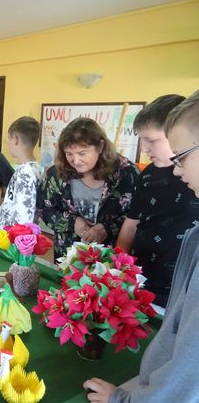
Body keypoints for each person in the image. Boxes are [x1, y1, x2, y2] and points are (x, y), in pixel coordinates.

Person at [84, 91, 199, 403]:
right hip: (146, 285)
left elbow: (190, 369)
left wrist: (125, 399)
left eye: (182, 156)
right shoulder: (148, 176)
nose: (176, 168)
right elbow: (131, 224)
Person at [116, 95, 199, 307]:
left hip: (177, 288)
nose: (144, 148)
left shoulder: (194, 177)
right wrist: (118, 268)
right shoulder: (147, 174)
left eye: (151, 140)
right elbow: (131, 224)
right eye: (141, 139)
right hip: (140, 277)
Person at [37, 117, 139, 259]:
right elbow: (43, 208)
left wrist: (107, 228)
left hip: (111, 261)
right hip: (68, 258)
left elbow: (138, 216)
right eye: (69, 154)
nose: (75, 161)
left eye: (82, 153)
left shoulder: (127, 174)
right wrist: (73, 223)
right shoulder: (57, 173)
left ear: (100, 146)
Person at [0, 116, 43, 249]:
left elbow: (22, 220)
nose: (8, 144)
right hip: (8, 237)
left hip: (13, 243)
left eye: (9, 140)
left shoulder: (25, 173)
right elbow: (8, 205)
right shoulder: (34, 169)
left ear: (15, 139)